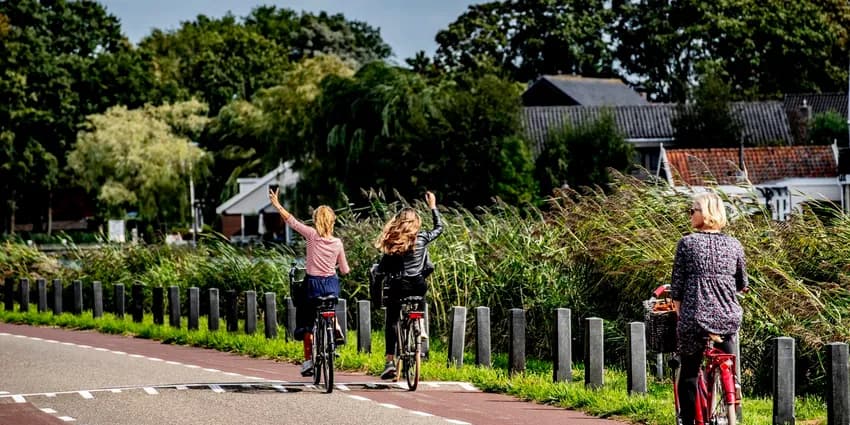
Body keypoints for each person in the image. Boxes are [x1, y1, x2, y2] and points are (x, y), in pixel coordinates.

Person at [671, 192, 748, 425]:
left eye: (692, 210)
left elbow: (677, 288)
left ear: (704, 214)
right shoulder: (734, 244)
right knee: (729, 359)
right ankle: (732, 386)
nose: (690, 215)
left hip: (695, 317)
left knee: (690, 372)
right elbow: (742, 284)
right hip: (727, 317)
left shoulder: (687, 243)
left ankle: (687, 420)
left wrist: (680, 311)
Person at [269, 188, 350, 377]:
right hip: (331, 285)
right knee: (329, 305)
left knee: (306, 321)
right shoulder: (337, 242)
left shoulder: (312, 236)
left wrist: (278, 205)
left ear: (315, 221)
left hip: (312, 286)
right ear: (332, 222)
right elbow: (345, 269)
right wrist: (337, 268)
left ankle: (308, 361)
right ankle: (335, 327)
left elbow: (292, 221)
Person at [374, 191, 443, 380]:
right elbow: (439, 228)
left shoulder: (393, 241)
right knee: (420, 295)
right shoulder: (422, 238)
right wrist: (433, 207)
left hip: (399, 286)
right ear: (416, 223)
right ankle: (420, 324)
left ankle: (389, 361)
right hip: (418, 285)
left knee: (392, 320)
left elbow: (382, 268)